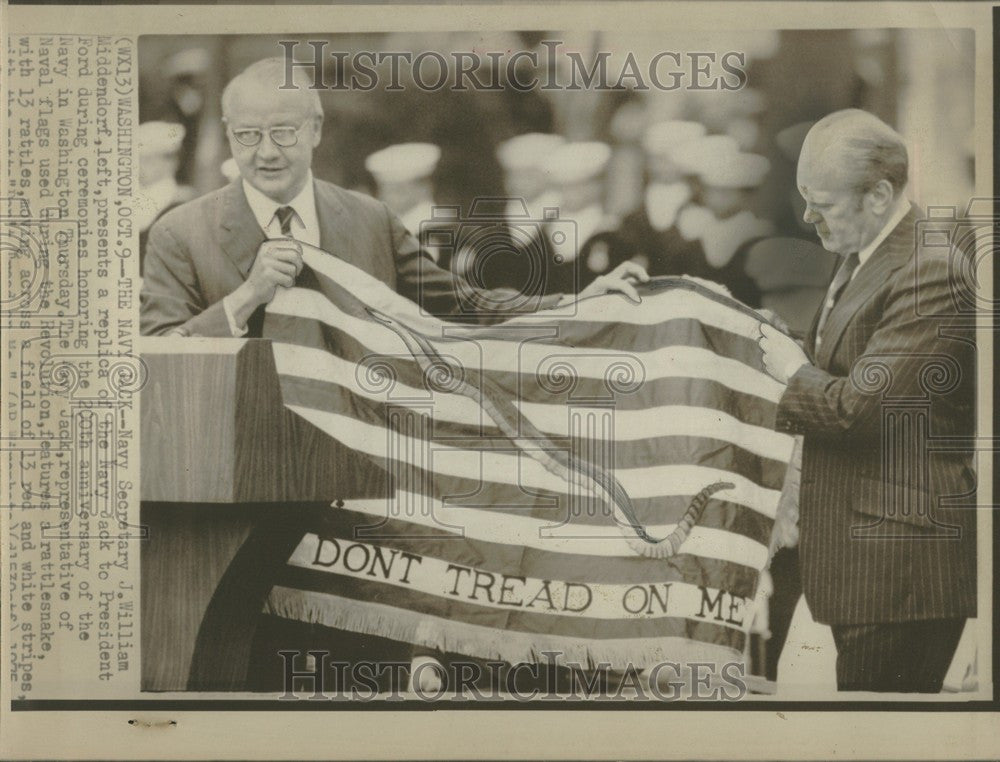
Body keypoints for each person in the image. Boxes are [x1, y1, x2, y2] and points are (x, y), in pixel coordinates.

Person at [142, 57, 649, 691]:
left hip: (360, 505)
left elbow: (465, 302)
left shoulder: (367, 219)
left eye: (283, 133)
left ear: (317, 129)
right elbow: (159, 355)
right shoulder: (180, 234)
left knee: (352, 683)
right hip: (239, 514)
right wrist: (243, 299)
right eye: (246, 135)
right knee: (251, 681)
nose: (265, 152)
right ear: (227, 130)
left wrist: (579, 302)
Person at [757, 109, 976, 692]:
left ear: (879, 195)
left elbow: (855, 411)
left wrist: (786, 365)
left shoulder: (931, 271)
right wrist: (778, 343)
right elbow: (839, 366)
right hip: (862, 569)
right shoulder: (864, 252)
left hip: (898, 575)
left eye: (821, 203)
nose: (807, 219)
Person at [136, 121, 195, 273]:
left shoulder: (180, 203)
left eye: (148, 159)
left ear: (171, 162)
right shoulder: (135, 197)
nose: (139, 166)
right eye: (138, 159)